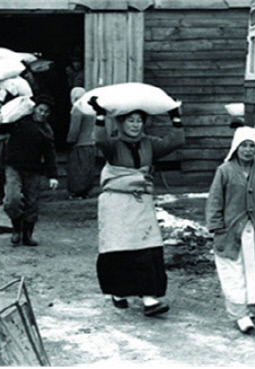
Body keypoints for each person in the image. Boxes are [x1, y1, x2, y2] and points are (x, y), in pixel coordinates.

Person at [88, 96, 185, 317]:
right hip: (116, 202)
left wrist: (175, 116)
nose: (135, 125)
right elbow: (99, 140)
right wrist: (100, 115)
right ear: (121, 124)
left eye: (139, 121)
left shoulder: (150, 144)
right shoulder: (113, 145)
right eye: (130, 121)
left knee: (146, 248)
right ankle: (118, 291)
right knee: (118, 249)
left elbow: (177, 141)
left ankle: (149, 298)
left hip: (140, 202)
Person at [205, 127, 255, 334]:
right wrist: (217, 227)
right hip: (231, 232)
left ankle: (247, 306)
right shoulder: (225, 170)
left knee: (254, 270)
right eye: (243, 145)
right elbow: (215, 200)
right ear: (236, 147)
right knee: (233, 271)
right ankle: (239, 314)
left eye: (251, 146)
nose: (247, 150)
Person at [0, 95, 59, 246]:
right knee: (12, 199)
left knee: (31, 202)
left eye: (46, 112)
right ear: (34, 109)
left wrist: (53, 176)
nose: (43, 114)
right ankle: (16, 229)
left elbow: (50, 154)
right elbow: (2, 128)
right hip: (13, 166)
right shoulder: (20, 120)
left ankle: (27, 235)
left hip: (34, 169)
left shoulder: (46, 130)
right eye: (41, 110)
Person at [66, 87, 96, 199]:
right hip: (91, 143)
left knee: (77, 169)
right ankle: (86, 191)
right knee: (87, 168)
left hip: (80, 143)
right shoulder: (91, 109)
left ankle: (76, 192)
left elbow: (75, 129)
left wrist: (70, 140)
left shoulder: (77, 109)